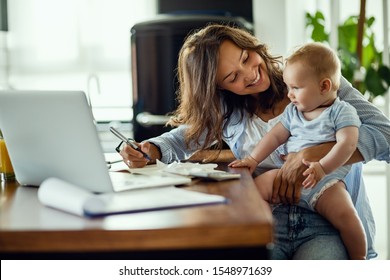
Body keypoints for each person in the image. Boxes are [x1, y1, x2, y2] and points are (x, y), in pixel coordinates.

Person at [119, 24, 390, 259]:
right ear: (219, 88)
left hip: (328, 221)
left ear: (252, 46)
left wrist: (315, 153)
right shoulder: (229, 111)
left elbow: (386, 135)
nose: (250, 74)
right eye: (233, 77)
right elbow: (183, 138)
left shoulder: (313, 76)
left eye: (246, 58)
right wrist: (150, 149)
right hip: (269, 221)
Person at [229, 42, 366, 259]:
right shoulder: (293, 112)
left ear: (324, 86)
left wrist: (322, 167)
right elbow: (275, 136)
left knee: (346, 215)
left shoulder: (341, 111)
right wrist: (253, 159)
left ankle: (359, 258)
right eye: (288, 87)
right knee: (255, 189)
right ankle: (266, 234)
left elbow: (347, 145)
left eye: (296, 88)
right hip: (287, 175)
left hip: (325, 182)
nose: (289, 94)